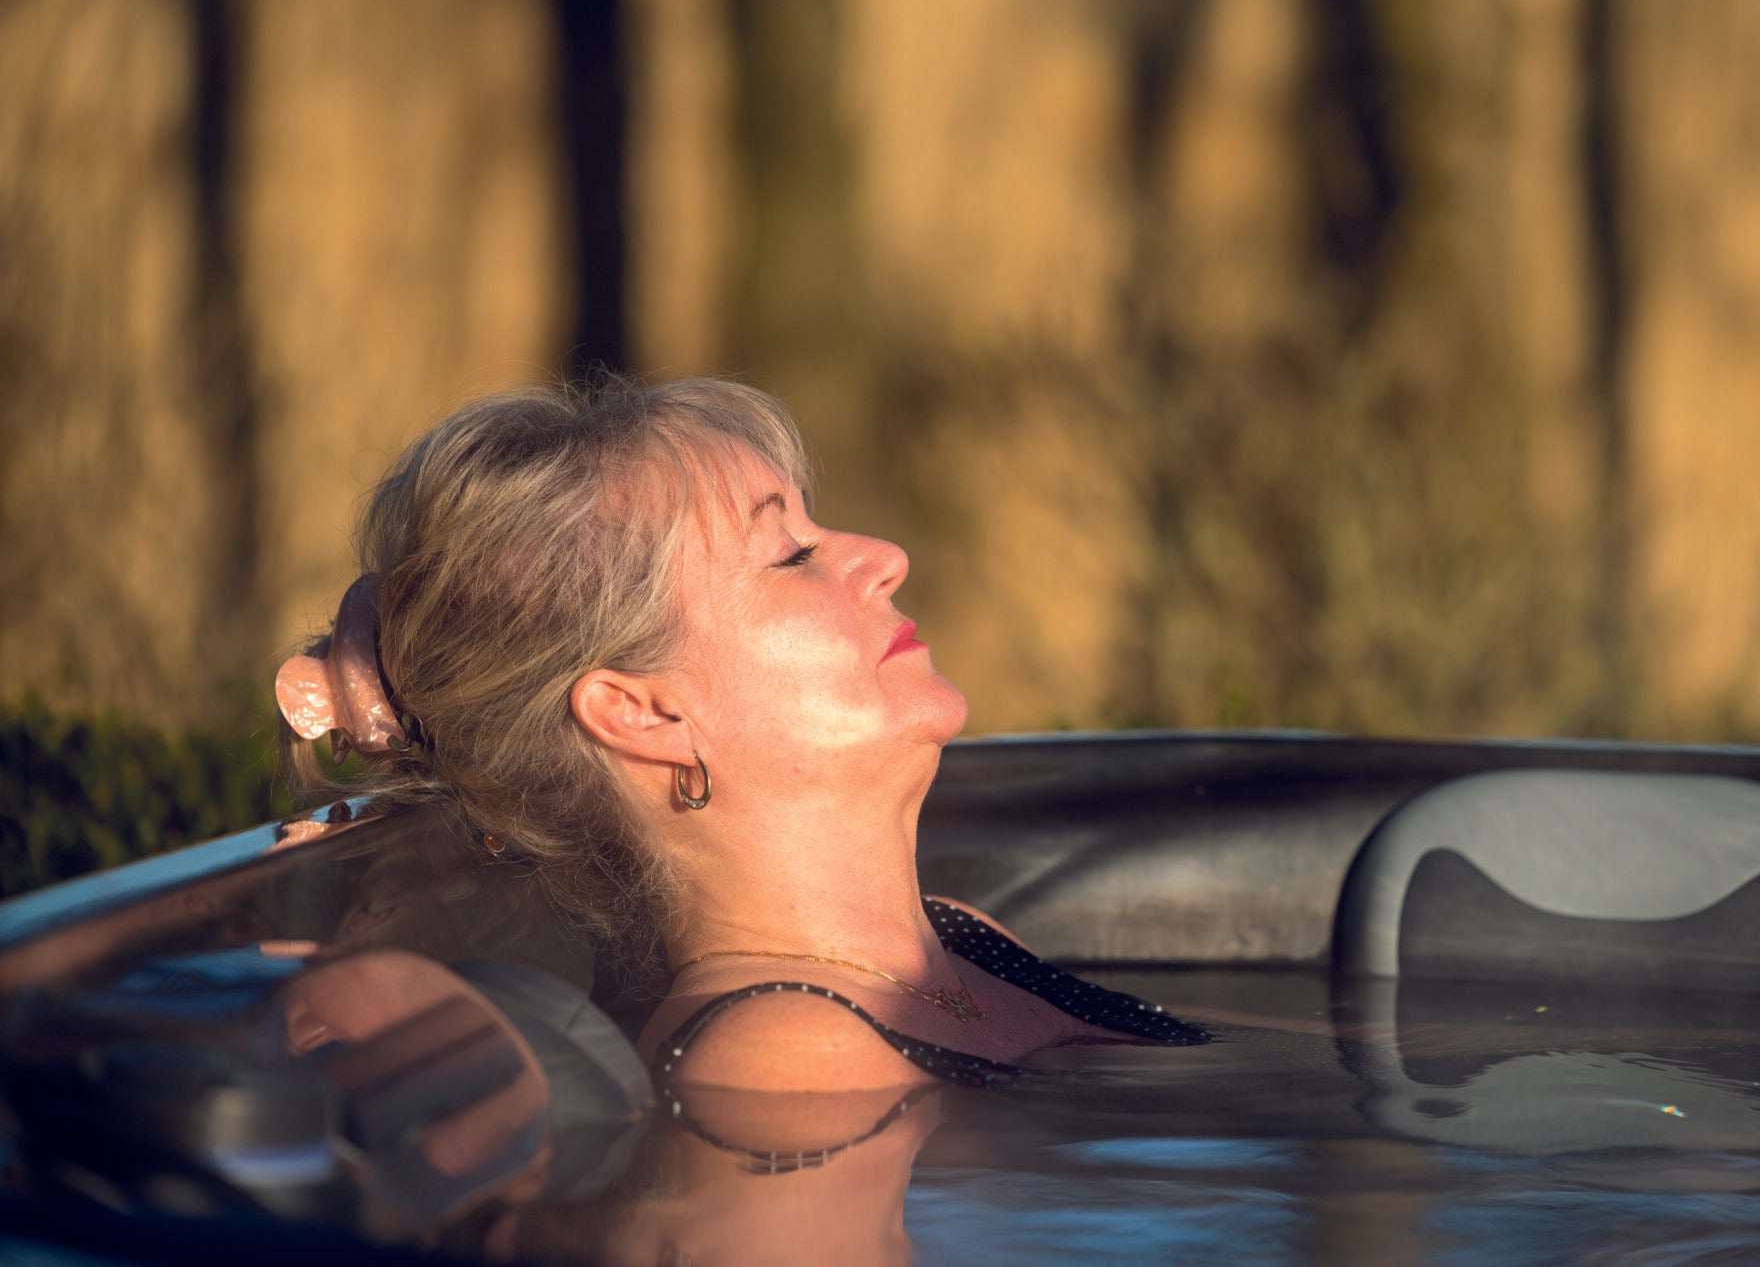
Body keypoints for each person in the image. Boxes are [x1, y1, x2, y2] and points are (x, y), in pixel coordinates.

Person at [274, 379, 1203, 1095]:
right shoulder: (782, 1054)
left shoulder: (964, 943)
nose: (884, 558)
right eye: (791, 556)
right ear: (646, 713)